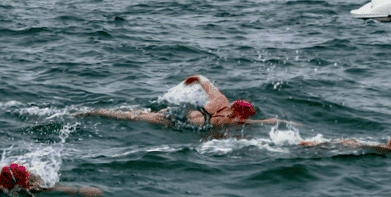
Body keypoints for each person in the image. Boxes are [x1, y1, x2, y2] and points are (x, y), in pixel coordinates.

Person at [76, 75, 288, 128]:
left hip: (178, 113)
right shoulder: (229, 119)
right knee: (134, 117)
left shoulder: (220, 101)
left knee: (135, 114)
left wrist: (194, 78)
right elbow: (260, 123)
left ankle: (92, 111)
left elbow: (205, 80)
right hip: (174, 120)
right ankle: (91, 112)